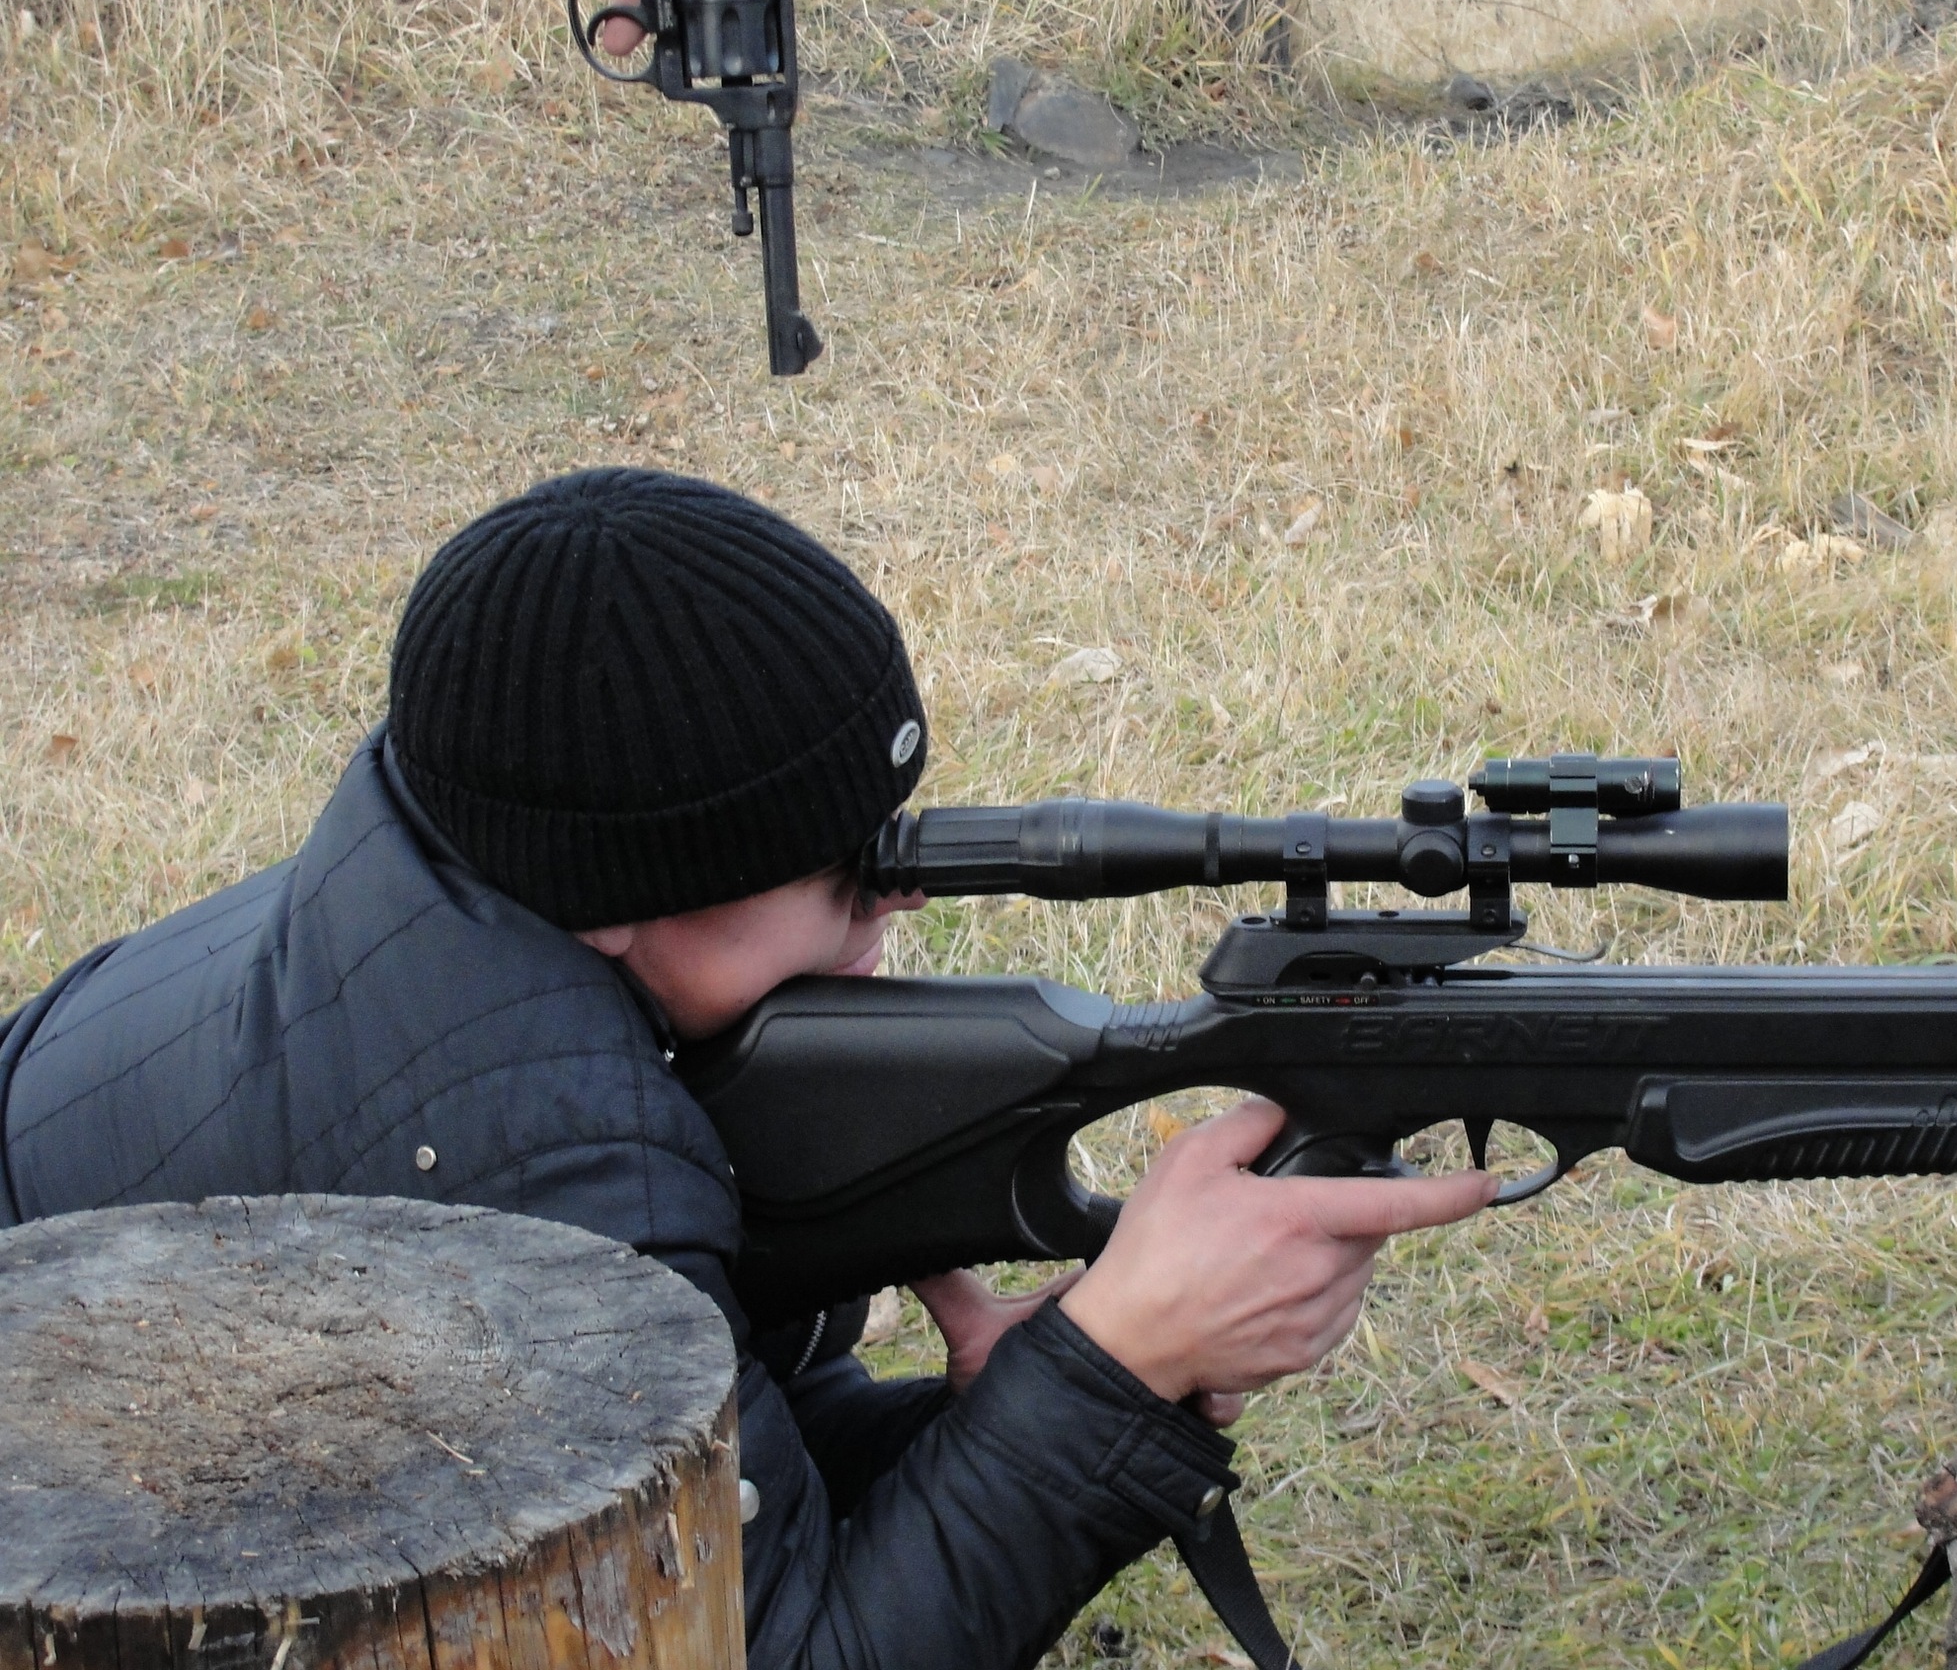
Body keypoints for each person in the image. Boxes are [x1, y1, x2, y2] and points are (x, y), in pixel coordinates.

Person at [0, 468, 1495, 1667]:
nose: (893, 907)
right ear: (624, 896)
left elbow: (729, 1473)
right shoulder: (535, 1155)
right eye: (845, 878)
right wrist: (1114, 1368)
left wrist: (1011, 1404)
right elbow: (756, 1645)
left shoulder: (452, 882)